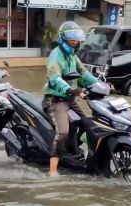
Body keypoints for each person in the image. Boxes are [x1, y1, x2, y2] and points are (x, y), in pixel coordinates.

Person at [42, 21, 99, 177]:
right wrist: (70, 89)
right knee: (63, 133)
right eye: (72, 40)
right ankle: (52, 169)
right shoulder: (56, 56)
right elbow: (55, 79)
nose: (75, 43)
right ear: (63, 39)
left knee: (89, 124)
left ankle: (75, 151)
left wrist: (99, 84)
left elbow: (83, 72)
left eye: (77, 40)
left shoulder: (72, 55)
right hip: (56, 100)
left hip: (71, 99)